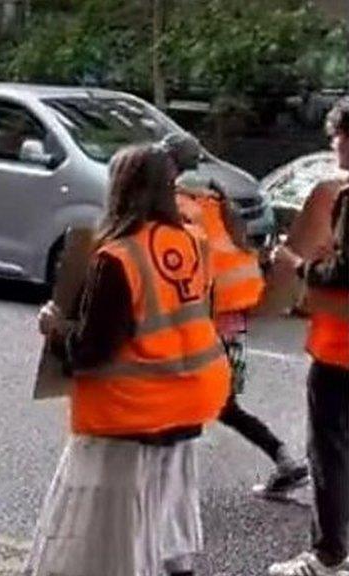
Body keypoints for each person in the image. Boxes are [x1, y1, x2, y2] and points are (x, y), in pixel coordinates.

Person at [27, 144, 230, 576]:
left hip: (132, 410)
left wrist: (56, 328)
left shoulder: (118, 258)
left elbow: (92, 352)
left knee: (113, 535)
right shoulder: (193, 241)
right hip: (192, 398)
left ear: (121, 189)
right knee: (163, 519)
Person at [164, 134, 309, 496]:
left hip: (207, 310)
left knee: (182, 393)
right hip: (236, 308)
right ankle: (284, 459)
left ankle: (164, 484)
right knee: (219, 398)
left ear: (168, 162)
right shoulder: (215, 194)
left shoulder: (176, 202)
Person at [267, 98, 349, 576]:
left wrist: (296, 265)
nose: (333, 144)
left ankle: (327, 555)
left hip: (340, 347)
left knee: (328, 449)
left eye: (337, 135)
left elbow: (341, 274)